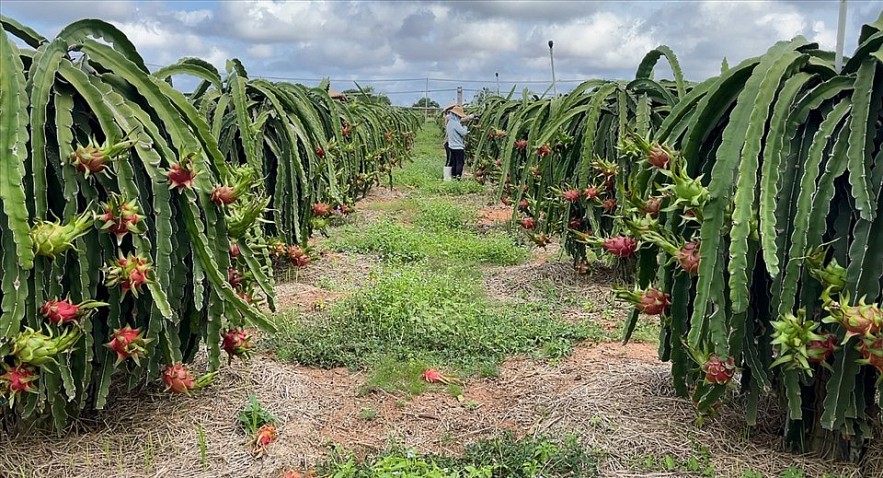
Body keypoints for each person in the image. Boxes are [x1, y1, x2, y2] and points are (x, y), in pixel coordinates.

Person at [444, 105, 474, 180]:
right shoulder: (456, 123)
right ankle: (458, 177)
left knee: (453, 162)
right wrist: (465, 127)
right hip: (458, 147)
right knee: (460, 163)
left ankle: (451, 177)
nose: (460, 117)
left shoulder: (449, 122)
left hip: (451, 146)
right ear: (456, 115)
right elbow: (463, 133)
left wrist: (470, 117)